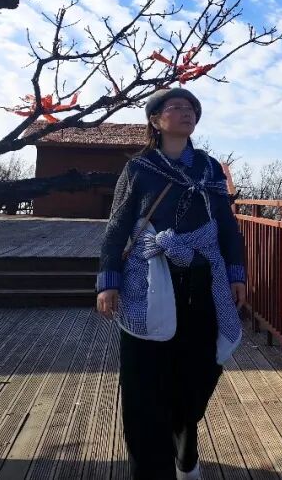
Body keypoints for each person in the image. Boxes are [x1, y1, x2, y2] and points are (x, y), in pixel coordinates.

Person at [96, 87, 246, 480]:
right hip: (148, 280)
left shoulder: (209, 169)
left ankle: (183, 435)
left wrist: (236, 272)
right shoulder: (140, 168)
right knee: (143, 383)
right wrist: (108, 281)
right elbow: (117, 225)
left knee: (200, 373)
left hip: (202, 281)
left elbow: (226, 224)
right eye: (175, 107)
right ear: (155, 120)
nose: (186, 112)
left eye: (191, 107)